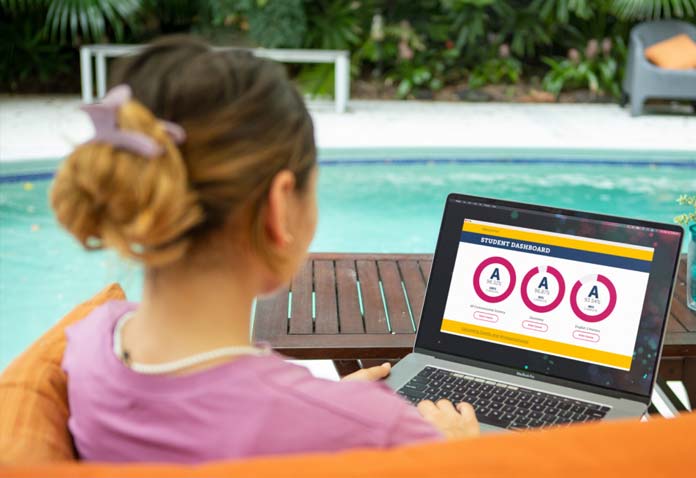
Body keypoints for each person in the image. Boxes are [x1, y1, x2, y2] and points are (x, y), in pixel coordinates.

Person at [51, 36, 480, 464]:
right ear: (279, 205)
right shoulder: (385, 433)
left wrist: (326, 406)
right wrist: (464, 453)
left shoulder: (87, 345)